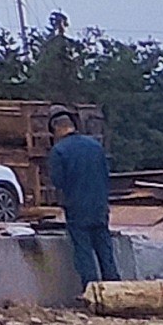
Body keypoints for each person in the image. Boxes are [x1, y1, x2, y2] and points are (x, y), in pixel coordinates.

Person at [46, 109, 117, 288]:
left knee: (84, 253)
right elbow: (106, 175)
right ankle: (115, 289)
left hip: (77, 208)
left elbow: (58, 181)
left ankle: (91, 290)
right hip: (99, 206)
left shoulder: (59, 151)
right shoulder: (95, 146)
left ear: (56, 129)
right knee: (105, 250)